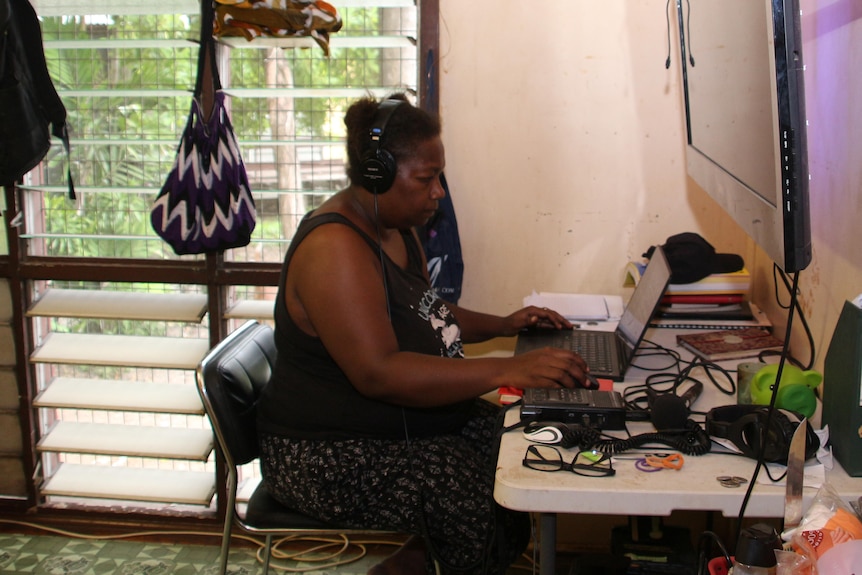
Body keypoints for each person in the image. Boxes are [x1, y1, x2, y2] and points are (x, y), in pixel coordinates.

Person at [257, 93, 594, 575]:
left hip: (374, 427)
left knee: (515, 441)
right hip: (320, 453)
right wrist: (508, 367)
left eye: (440, 176)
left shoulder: (396, 228)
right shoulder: (334, 249)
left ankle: (419, 564)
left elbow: (429, 312)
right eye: (425, 178)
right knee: (459, 486)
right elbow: (380, 372)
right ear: (378, 173)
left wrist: (505, 324)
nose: (438, 192)